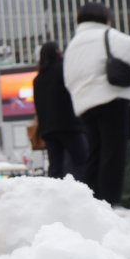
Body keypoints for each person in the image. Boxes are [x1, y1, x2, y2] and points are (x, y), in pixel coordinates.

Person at [62, 2, 130, 206]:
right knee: (113, 154)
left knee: (95, 153)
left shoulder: (72, 45)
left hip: (84, 105)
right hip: (111, 99)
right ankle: (110, 201)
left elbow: (68, 79)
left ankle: (94, 201)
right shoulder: (108, 35)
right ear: (105, 18)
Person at [33, 41, 87, 179]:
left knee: (55, 166)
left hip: (48, 130)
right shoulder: (64, 70)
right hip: (70, 125)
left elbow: (38, 106)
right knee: (82, 160)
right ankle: (84, 191)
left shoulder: (38, 79)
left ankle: (55, 194)